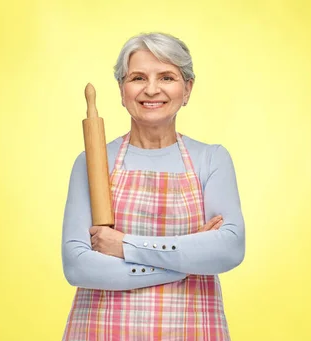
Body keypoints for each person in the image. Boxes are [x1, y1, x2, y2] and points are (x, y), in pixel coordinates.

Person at [61, 32, 245, 340]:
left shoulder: (211, 160)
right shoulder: (92, 162)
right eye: (137, 77)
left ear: (187, 89)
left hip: (190, 329)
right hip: (103, 329)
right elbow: (78, 267)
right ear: (122, 90)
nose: (151, 89)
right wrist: (184, 263)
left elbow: (228, 249)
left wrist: (125, 246)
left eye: (167, 77)